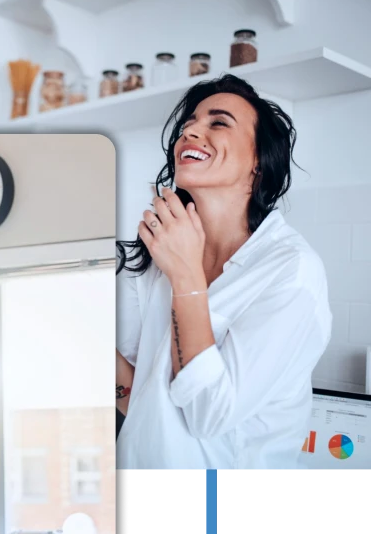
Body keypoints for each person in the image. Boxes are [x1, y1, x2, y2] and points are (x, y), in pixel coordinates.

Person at [115, 74, 332, 470]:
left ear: (259, 161)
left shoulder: (291, 271)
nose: (190, 131)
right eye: (188, 124)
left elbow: (208, 415)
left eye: (218, 122)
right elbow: (142, 397)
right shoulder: (156, 253)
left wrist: (185, 277)